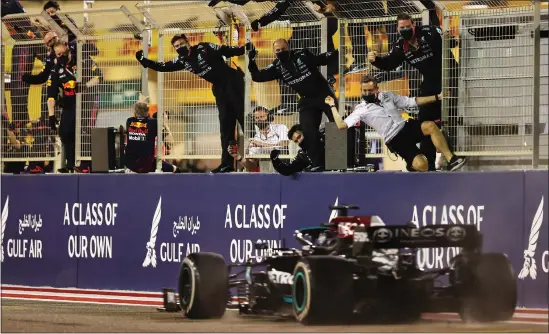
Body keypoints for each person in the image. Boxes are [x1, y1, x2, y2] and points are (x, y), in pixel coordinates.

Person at [135, 34, 253, 173]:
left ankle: (256, 157)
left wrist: (244, 49)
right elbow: (162, 67)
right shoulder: (182, 61)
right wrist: (144, 60)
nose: (180, 47)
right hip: (219, 88)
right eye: (177, 46)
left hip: (233, 81)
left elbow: (224, 50)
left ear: (188, 43)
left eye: (181, 44)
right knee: (225, 127)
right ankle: (227, 164)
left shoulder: (204, 48)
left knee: (244, 119)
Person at [368, 12, 459, 171]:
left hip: (451, 76)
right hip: (431, 83)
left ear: (413, 25)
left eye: (408, 27)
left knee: (455, 116)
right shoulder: (399, 46)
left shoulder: (430, 32)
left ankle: (455, 156)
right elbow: (390, 64)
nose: (405, 30)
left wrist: (449, 38)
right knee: (425, 121)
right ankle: (427, 165)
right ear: (397, 29)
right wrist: (376, 61)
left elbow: (450, 42)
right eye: (402, 28)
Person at [325, 75, 466, 172]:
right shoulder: (360, 109)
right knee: (422, 165)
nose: (367, 93)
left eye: (370, 90)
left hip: (406, 126)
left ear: (376, 89)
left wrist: (438, 97)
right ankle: (413, 163)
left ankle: (452, 159)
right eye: (364, 90)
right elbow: (341, 125)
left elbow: (411, 101)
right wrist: (332, 106)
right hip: (394, 138)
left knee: (430, 126)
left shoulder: (387, 95)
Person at [248, 38, 337, 170]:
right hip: (306, 100)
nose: (281, 52)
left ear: (289, 48)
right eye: (277, 50)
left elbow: (321, 59)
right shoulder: (277, 66)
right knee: (307, 131)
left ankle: (340, 163)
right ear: (274, 52)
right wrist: (251, 60)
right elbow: (257, 76)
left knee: (337, 125)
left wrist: (337, 53)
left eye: (283, 49)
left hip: (324, 95)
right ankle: (319, 164)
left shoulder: (303, 55)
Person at [124, 97, 181, 174]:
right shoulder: (153, 123)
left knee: (155, 162)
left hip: (130, 163)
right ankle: (177, 171)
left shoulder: (129, 121)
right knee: (174, 169)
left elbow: (141, 121)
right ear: (148, 112)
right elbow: (170, 142)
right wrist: (164, 123)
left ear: (135, 111)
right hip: (145, 164)